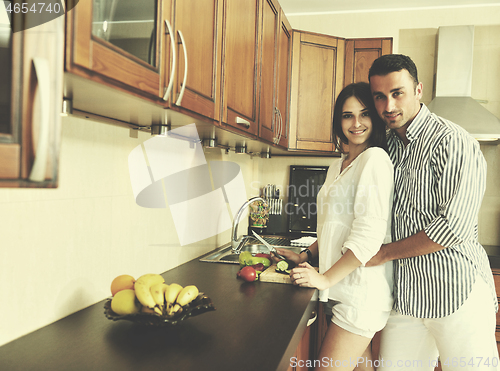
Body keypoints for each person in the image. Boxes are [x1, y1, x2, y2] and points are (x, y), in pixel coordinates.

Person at [367, 54, 499, 370]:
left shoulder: (453, 142)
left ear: (418, 90)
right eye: (379, 96)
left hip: (456, 293)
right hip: (407, 298)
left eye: (397, 93)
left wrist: (383, 254)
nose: (388, 105)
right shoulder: (385, 146)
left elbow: (454, 228)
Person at [275, 82, 394, 371]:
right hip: (342, 290)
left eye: (364, 114)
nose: (356, 123)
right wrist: (306, 256)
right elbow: (334, 225)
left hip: (359, 293)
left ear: (375, 118)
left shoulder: (374, 159)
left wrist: (325, 279)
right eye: (347, 115)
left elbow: (367, 236)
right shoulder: (338, 165)